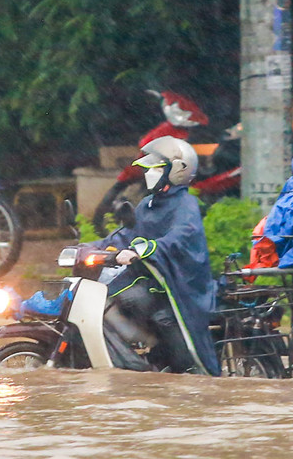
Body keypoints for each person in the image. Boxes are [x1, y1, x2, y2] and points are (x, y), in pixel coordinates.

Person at [93, 135, 221, 374]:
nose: (148, 173)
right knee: (118, 297)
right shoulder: (147, 205)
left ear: (177, 170)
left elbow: (178, 238)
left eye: (156, 168)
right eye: (147, 169)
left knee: (149, 308)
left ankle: (187, 369)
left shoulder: (186, 205)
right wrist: (87, 248)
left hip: (181, 284)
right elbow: (124, 236)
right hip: (155, 280)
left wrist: (142, 250)